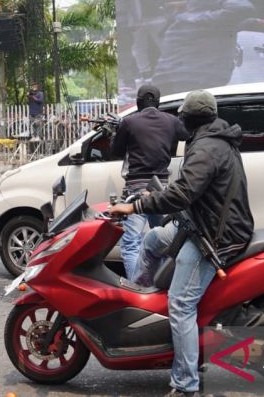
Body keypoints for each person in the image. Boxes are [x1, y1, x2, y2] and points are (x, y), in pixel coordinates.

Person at [109, 91, 254, 397]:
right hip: (199, 224)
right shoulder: (211, 139)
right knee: (150, 239)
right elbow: (192, 188)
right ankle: (141, 304)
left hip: (214, 237)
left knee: (181, 303)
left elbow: (183, 193)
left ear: (190, 119)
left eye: (183, 117)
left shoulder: (206, 147)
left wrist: (136, 206)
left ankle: (185, 383)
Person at [110, 84, 189, 281]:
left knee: (131, 243)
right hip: (160, 189)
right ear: (158, 101)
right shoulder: (171, 121)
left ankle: (136, 287)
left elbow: (116, 151)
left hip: (135, 188)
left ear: (138, 101)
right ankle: (159, 284)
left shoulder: (129, 122)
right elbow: (188, 134)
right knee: (162, 240)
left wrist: (114, 132)